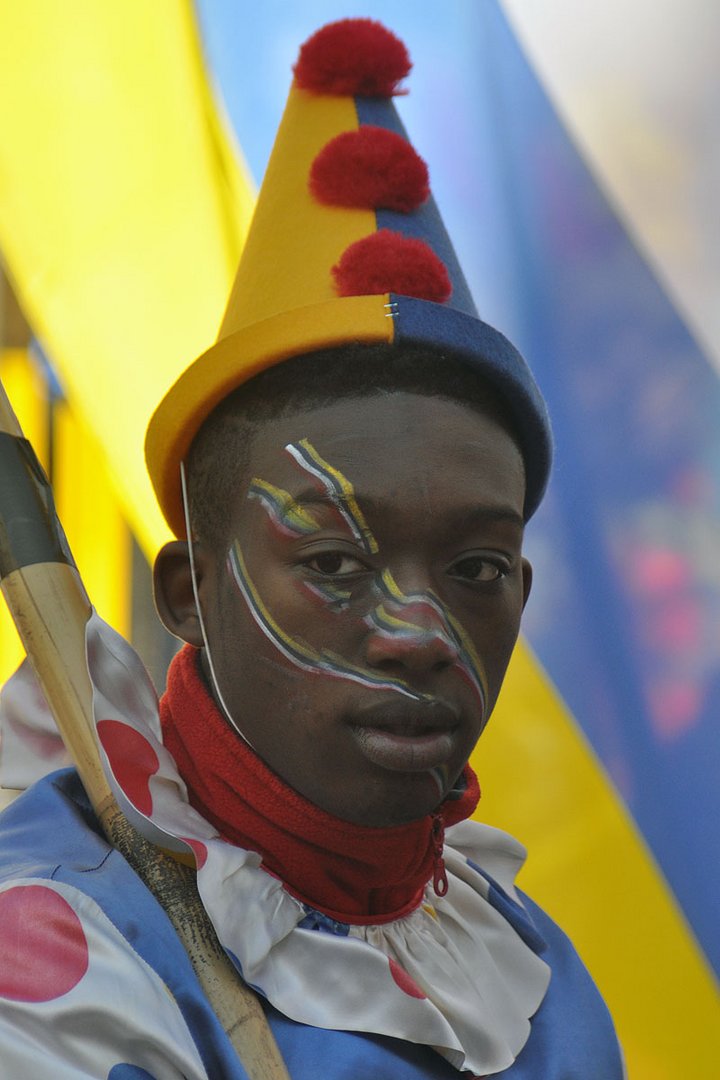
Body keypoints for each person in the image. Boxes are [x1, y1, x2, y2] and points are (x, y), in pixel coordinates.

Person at [0, 18, 625, 1078]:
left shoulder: (527, 960)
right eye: (335, 562)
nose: (421, 635)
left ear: (524, 588)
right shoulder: (52, 954)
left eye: (474, 570)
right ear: (189, 591)